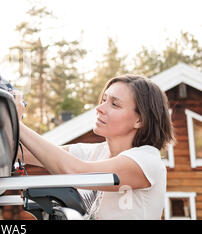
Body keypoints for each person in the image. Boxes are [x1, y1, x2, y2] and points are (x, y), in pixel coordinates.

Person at [13, 74, 175, 220]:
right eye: (104, 100)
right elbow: (27, 152)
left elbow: (73, 171)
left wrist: (17, 122)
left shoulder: (146, 160)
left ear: (140, 120)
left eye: (115, 104)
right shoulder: (97, 152)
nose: (100, 108)